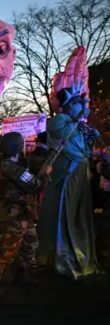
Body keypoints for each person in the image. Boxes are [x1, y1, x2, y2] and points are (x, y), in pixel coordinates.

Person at [38, 87, 103, 280]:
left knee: (76, 211)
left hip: (79, 169)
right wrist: (79, 117)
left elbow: (91, 141)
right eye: (76, 104)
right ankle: (60, 255)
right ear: (67, 105)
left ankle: (77, 253)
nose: (81, 107)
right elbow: (64, 133)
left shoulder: (78, 123)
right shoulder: (58, 121)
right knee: (63, 209)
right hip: (66, 172)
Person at [0, 132, 45, 301]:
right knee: (7, 250)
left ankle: (24, 274)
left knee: (30, 242)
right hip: (13, 214)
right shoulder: (11, 168)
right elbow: (34, 186)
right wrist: (45, 174)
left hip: (21, 211)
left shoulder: (11, 165)